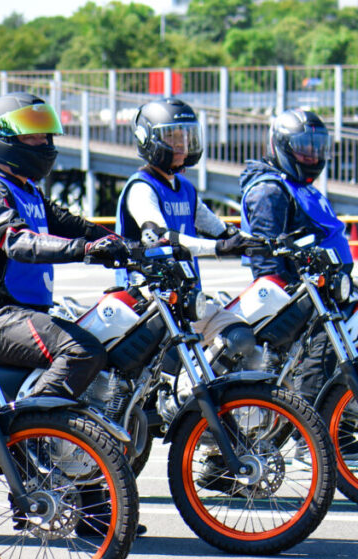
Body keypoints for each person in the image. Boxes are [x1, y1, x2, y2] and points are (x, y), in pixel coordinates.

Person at [0, 93, 128, 400]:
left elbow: (74, 225)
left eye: (44, 135)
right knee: (82, 351)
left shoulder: (27, 190)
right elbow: (18, 242)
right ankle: (32, 424)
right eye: (31, 136)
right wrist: (84, 250)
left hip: (21, 311)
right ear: (1, 139)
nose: (42, 143)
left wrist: (130, 246)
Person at [116, 97, 260, 359]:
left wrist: (263, 243)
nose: (182, 143)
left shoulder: (185, 188)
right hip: (151, 304)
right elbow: (162, 237)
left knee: (240, 338)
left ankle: (204, 385)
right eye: (172, 136)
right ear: (148, 139)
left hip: (187, 300)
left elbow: (221, 230)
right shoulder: (141, 188)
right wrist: (218, 248)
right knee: (172, 365)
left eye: (185, 135)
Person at [240, 108, 351, 400]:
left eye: (318, 147)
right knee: (322, 355)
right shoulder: (270, 190)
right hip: (303, 302)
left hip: (329, 293)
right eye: (304, 148)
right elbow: (267, 263)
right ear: (283, 146)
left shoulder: (300, 186)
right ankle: (309, 423)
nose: (312, 156)